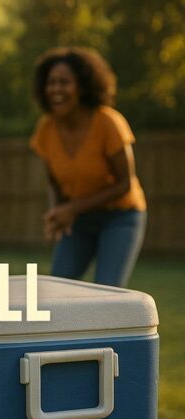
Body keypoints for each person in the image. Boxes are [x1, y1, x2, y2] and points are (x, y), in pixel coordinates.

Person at [30, 47, 146, 288]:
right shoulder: (46, 129)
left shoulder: (108, 122)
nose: (55, 89)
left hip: (120, 217)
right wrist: (56, 214)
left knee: (107, 293)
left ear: (82, 86)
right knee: (56, 290)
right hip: (80, 221)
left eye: (64, 82)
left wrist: (71, 209)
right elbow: (53, 181)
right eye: (51, 82)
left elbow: (125, 184)